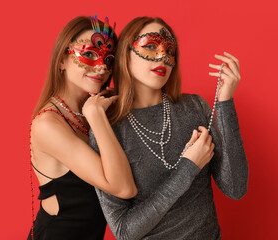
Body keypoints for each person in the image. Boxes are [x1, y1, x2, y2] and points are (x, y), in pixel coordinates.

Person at [89, 17, 249, 240]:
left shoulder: (194, 107)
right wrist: (189, 166)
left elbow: (236, 188)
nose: (163, 56)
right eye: (151, 46)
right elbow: (124, 231)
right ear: (125, 54)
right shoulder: (109, 127)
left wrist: (225, 102)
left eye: (170, 50)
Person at [27, 15, 137, 240]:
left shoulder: (94, 110)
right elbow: (124, 189)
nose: (101, 67)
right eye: (88, 54)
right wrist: (96, 116)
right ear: (61, 61)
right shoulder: (48, 123)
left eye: (108, 59)